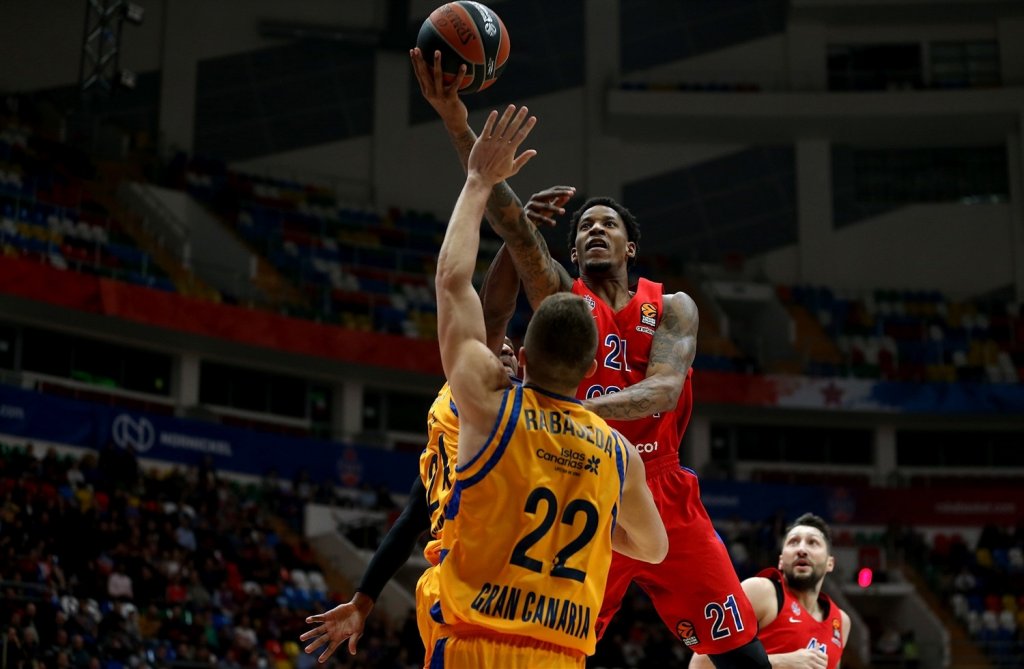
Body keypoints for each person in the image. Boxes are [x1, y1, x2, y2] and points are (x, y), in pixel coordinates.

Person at [410, 47, 770, 668]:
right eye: (583, 227)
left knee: (741, 653)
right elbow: (512, 226)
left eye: (608, 224)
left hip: (659, 487)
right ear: (572, 254)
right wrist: (456, 123)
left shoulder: (673, 307)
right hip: (581, 475)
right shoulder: (563, 300)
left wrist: (570, 411)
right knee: (553, 646)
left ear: (631, 247)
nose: (594, 230)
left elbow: (662, 390)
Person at [428, 103, 667, 668]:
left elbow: (452, 282)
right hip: (561, 653)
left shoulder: (490, 406)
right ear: (589, 371)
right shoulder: (619, 454)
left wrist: (478, 181)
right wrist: (596, 523)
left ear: (524, 357)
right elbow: (653, 549)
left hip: (475, 642)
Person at [300, 247, 524, 665]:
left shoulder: (457, 427)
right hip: (475, 583)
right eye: (500, 349)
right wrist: (517, 238)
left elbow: (408, 525)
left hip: (473, 588)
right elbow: (494, 315)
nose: (507, 352)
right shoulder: (477, 396)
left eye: (512, 352)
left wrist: (363, 600)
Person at [690, 513, 852, 669]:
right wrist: (780, 662)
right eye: (793, 542)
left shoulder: (841, 622)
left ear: (830, 563)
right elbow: (699, 664)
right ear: (781, 560)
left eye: (812, 542)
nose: (801, 549)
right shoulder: (760, 592)